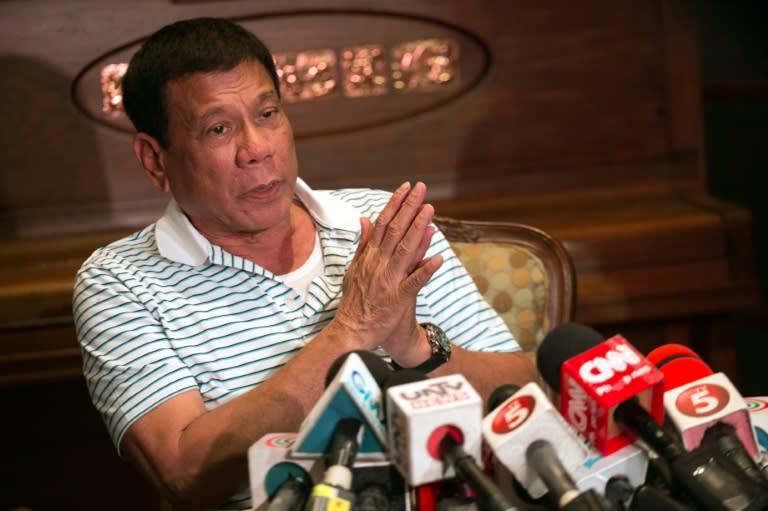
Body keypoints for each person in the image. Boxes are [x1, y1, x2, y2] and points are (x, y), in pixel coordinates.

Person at [72, 17, 537, 511]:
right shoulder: (118, 283)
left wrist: (411, 345)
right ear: (154, 160)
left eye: (268, 114)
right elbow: (185, 475)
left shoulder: (379, 223)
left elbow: (528, 397)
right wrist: (353, 331)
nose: (257, 149)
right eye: (219, 128)